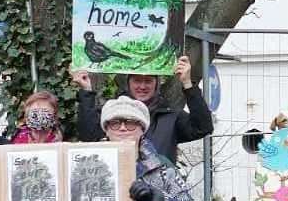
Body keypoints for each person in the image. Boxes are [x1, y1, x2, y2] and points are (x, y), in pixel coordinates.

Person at [72, 55, 213, 164]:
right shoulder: (113, 113)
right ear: (128, 83)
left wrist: (187, 84)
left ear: (156, 84)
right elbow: (88, 136)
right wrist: (86, 90)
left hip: (159, 194)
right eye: (137, 80)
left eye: (148, 81)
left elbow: (203, 127)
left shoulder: (170, 116)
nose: (142, 86)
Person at [99, 96, 196, 201]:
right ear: (106, 129)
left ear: (142, 129)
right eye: (115, 123)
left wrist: (156, 199)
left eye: (130, 123)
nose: (122, 128)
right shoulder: (90, 163)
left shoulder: (161, 167)